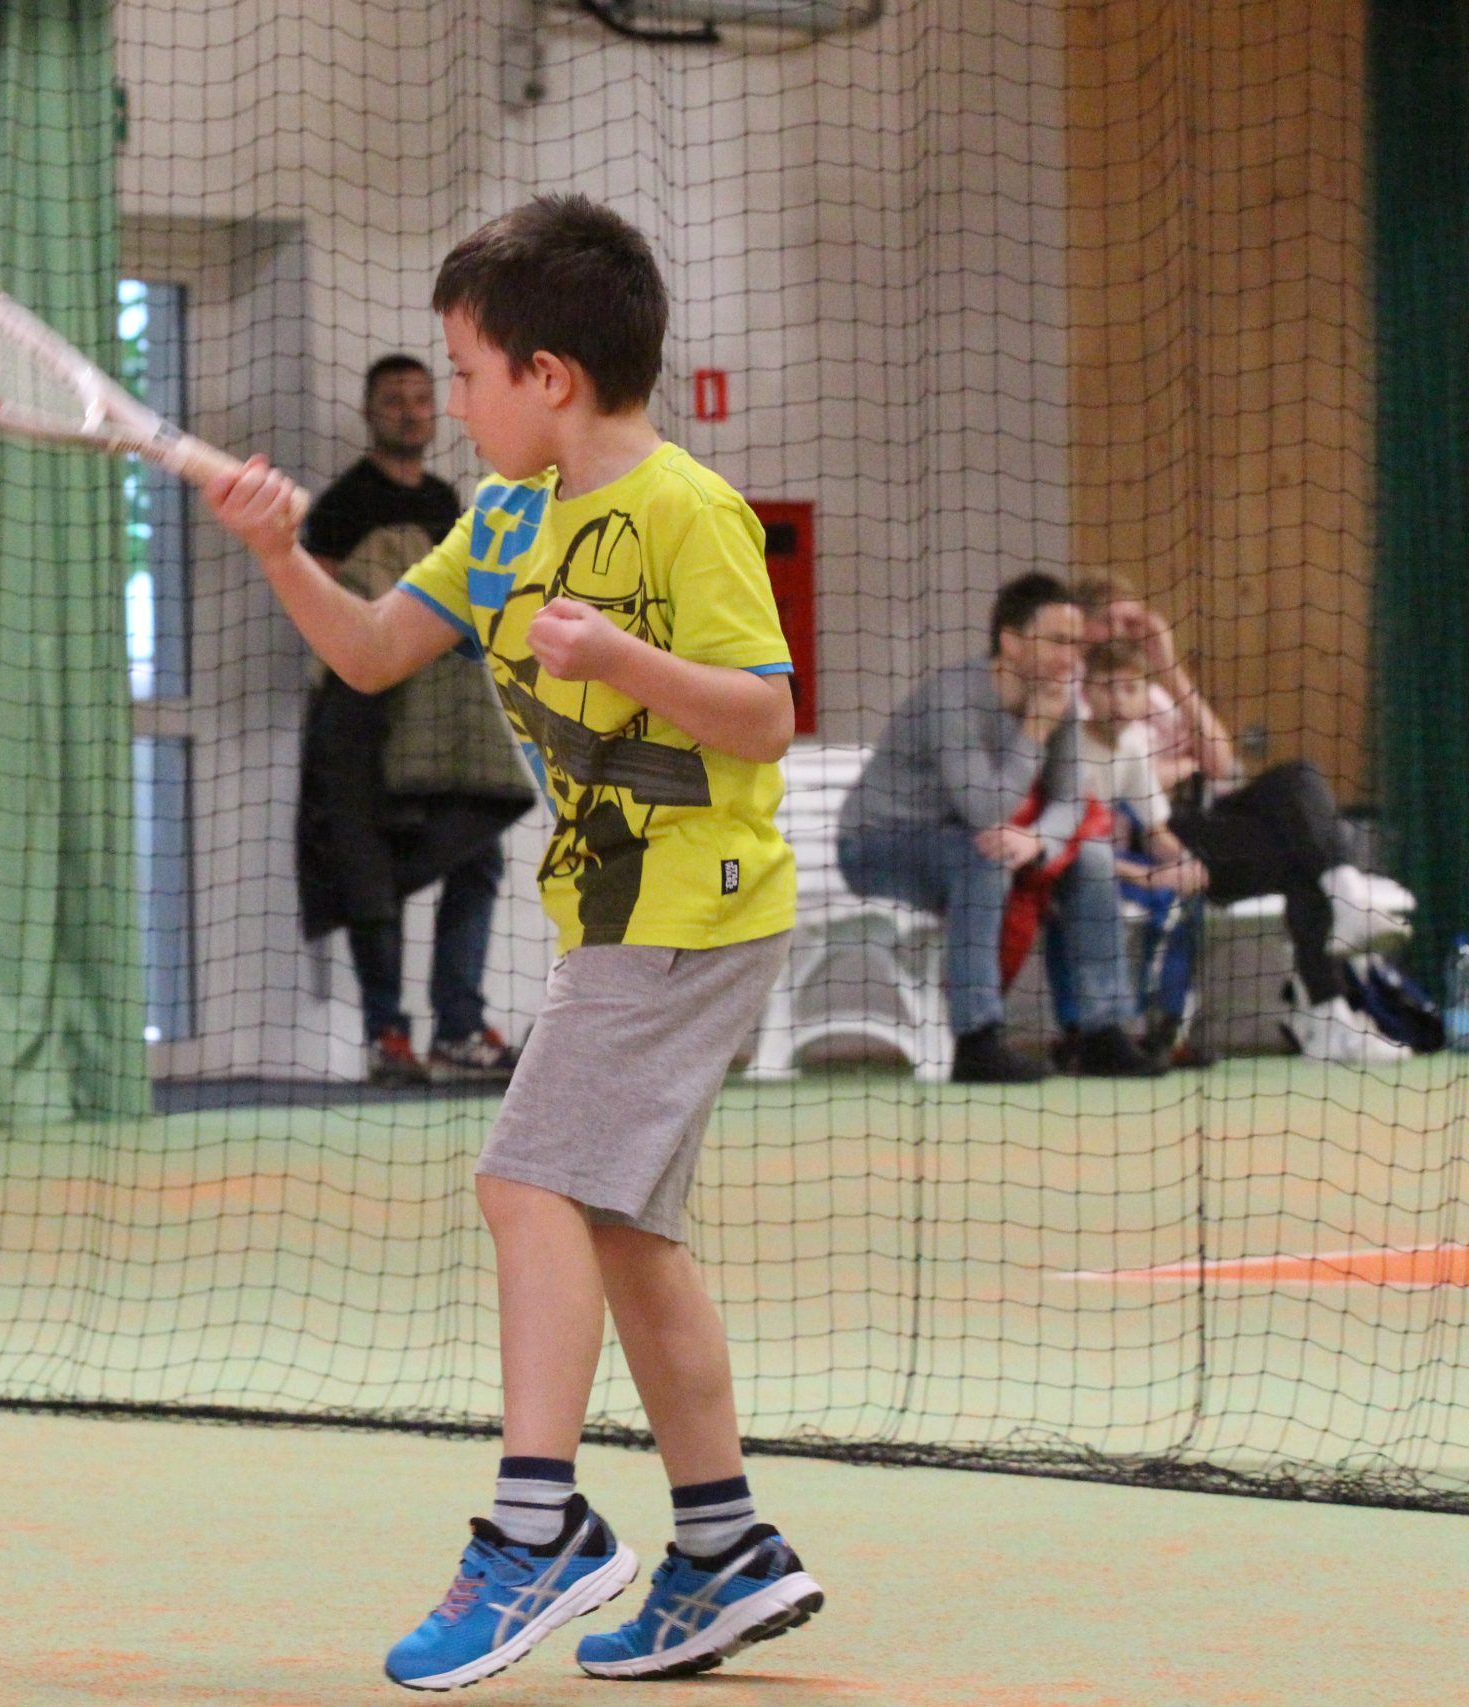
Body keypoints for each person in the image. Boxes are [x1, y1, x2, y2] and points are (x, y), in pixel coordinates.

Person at [203, 195, 823, 1688]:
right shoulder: (503, 522)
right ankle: (726, 1547)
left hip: (692, 904)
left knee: (522, 1177)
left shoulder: (686, 509)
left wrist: (620, 657)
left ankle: (536, 1527)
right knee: (622, 1226)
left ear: (549, 376)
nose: (453, 397)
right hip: (614, 909)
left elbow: (765, 712)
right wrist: (282, 549)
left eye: (467, 370)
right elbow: (363, 651)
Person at [298, 354, 534, 1086]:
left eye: (420, 398)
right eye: (393, 400)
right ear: (370, 412)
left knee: (477, 848)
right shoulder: (340, 503)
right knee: (372, 870)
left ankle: (459, 1025)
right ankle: (386, 1034)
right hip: (363, 719)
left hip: (447, 717)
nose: (410, 410)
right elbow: (329, 612)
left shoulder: (448, 500)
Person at [836, 574, 1165, 1084]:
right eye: (1058, 641)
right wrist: (1035, 728)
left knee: (1093, 857)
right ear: (1011, 642)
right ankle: (977, 1042)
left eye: (1077, 643)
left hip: (969, 839)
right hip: (880, 847)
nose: (1072, 657)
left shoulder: (1061, 698)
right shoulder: (956, 699)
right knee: (983, 853)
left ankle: (1102, 1033)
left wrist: (1040, 841)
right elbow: (984, 808)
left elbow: (1071, 796)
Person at [1070, 575, 1404, 1064]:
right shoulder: (1081, 693)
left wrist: (1167, 666)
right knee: (1305, 856)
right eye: (1111, 621)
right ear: (1084, 626)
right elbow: (1121, 783)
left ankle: (1340, 913)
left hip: (1202, 819)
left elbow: (1222, 761)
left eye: (1133, 620)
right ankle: (1324, 1009)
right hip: (1151, 834)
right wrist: (1179, 766)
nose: (1124, 630)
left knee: (1298, 778)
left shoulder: (1153, 691)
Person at [1041, 637, 1210, 1068]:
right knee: (1072, 903)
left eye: (1130, 689)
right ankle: (1078, 1030)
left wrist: (1182, 863)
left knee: (1186, 895)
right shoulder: (1069, 745)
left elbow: (1154, 830)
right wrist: (1141, 876)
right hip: (1055, 863)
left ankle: (1161, 1026)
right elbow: (1070, 844)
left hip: (1105, 863)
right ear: (1086, 693)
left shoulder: (1134, 745)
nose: (1118, 700)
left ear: (1143, 697)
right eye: (1107, 687)